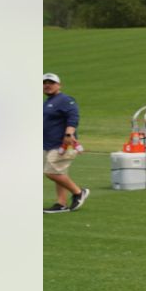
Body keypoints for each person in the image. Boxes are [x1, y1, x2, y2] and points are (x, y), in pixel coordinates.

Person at [43, 72, 88, 213]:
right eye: (45, 83)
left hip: (62, 144)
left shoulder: (65, 100)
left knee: (51, 173)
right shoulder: (48, 102)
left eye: (51, 83)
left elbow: (73, 116)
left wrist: (69, 133)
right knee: (58, 172)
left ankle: (78, 192)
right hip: (48, 143)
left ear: (59, 85)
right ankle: (61, 203)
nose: (47, 85)